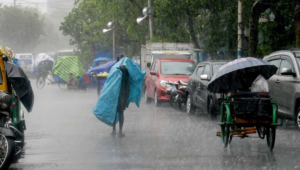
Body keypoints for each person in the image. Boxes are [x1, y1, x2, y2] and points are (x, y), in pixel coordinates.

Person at [112, 54, 130, 137]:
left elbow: (128, 82)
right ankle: (113, 130)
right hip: (115, 94)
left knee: (121, 112)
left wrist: (124, 71)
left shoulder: (126, 71)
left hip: (122, 93)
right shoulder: (115, 69)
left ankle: (120, 130)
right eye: (120, 60)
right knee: (114, 112)